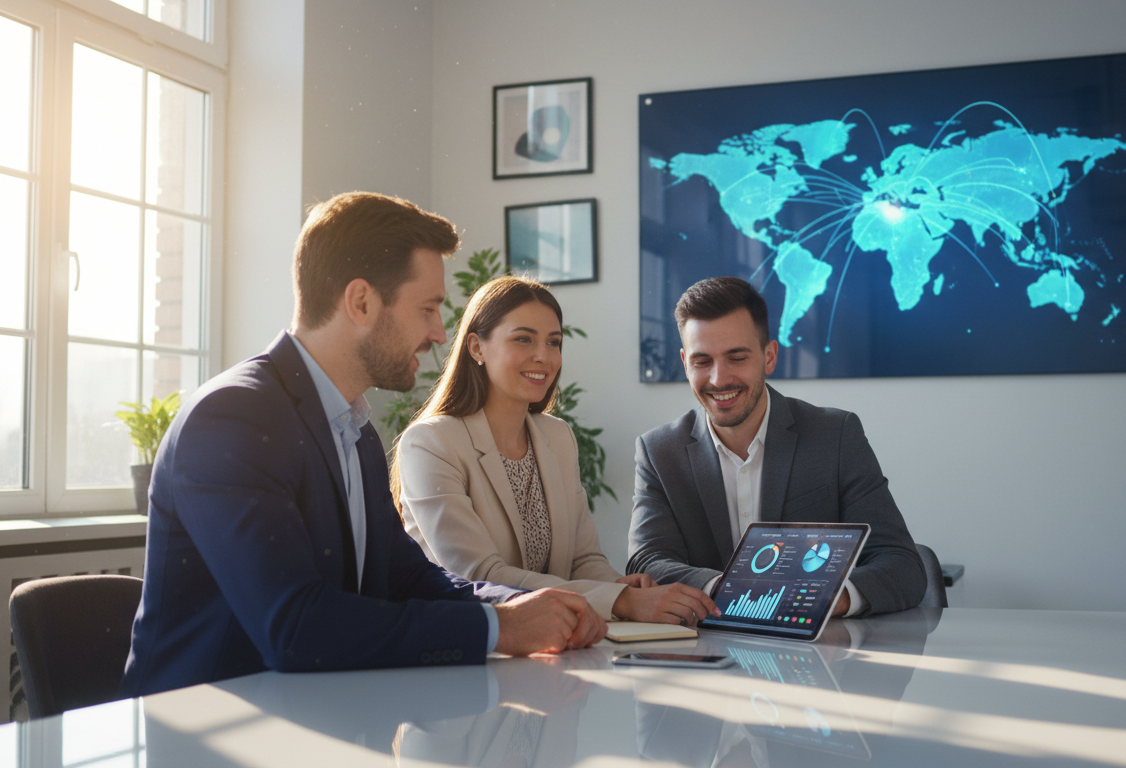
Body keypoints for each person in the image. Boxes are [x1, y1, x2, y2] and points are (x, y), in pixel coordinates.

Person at [120, 193, 606, 699]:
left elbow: (408, 578)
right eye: (428, 309)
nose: (440, 334)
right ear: (361, 302)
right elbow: (295, 627)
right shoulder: (232, 418)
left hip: (318, 716)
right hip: (206, 733)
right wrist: (501, 629)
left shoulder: (354, 428)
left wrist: (524, 607)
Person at [393, 276, 720, 627]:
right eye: (523, 339)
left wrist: (614, 584)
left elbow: (583, 559)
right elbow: (480, 574)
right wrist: (621, 600)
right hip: (472, 648)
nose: (543, 356)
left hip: (556, 647)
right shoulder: (430, 443)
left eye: (554, 342)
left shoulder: (558, 436)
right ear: (476, 347)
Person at [627, 277, 926, 617]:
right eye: (702, 361)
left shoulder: (836, 436)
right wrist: (728, 591)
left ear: (769, 357)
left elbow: (902, 564)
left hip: (821, 656)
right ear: (685, 363)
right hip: (705, 654)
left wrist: (830, 598)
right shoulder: (659, 452)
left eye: (737, 358)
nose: (718, 379)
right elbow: (647, 563)